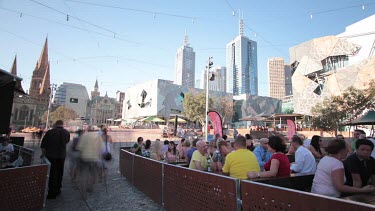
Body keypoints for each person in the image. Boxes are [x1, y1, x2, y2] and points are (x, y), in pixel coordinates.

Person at [40, 120, 70, 199]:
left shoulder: (49, 132)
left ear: (55, 124)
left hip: (51, 156)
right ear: (62, 124)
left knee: (52, 174)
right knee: (60, 172)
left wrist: (43, 154)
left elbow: (43, 145)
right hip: (61, 156)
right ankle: (58, 189)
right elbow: (67, 141)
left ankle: (51, 193)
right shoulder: (67, 132)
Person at [76, 129, 103, 198]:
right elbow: (101, 148)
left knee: (84, 175)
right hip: (94, 158)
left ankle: (83, 192)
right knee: (93, 174)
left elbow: (79, 148)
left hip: (84, 158)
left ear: (88, 130)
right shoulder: (98, 136)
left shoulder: (84, 135)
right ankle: (91, 187)